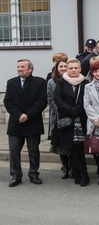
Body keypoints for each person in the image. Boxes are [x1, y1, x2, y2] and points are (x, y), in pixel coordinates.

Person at [4, 59, 47, 187]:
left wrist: (28, 115)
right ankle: (16, 175)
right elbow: (7, 102)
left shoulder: (39, 82)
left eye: (23, 67)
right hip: (16, 122)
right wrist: (19, 115)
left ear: (30, 69)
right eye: (18, 67)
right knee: (14, 150)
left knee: (33, 150)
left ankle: (34, 173)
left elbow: (42, 101)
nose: (19, 69)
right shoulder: (11, 83)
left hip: (32, 121)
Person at [53, 59, 90, 186]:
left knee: (79, 146)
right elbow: (57, 99)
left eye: (75, 68)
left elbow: (86, 99)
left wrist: (77, 111)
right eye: (71, 68)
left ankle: (82, 173)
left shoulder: (85, 83)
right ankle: (79, 173)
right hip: (67, 119)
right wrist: (71, 111)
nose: (73, 70)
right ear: (67, 69)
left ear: (80, 69)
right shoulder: (61, 82)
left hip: (81, 118)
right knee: (72, 147)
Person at [47, 56, 74, 180]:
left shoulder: (73, 80)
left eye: (65, 66)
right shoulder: (51, 82)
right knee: (61, 143)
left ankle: (73, 166)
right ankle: (65, 166)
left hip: (72, 114)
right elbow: (51, 99)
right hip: (58, 115)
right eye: (61, 66)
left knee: (72, 142)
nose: (63, 68)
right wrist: (62, 111)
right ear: (56, 68)